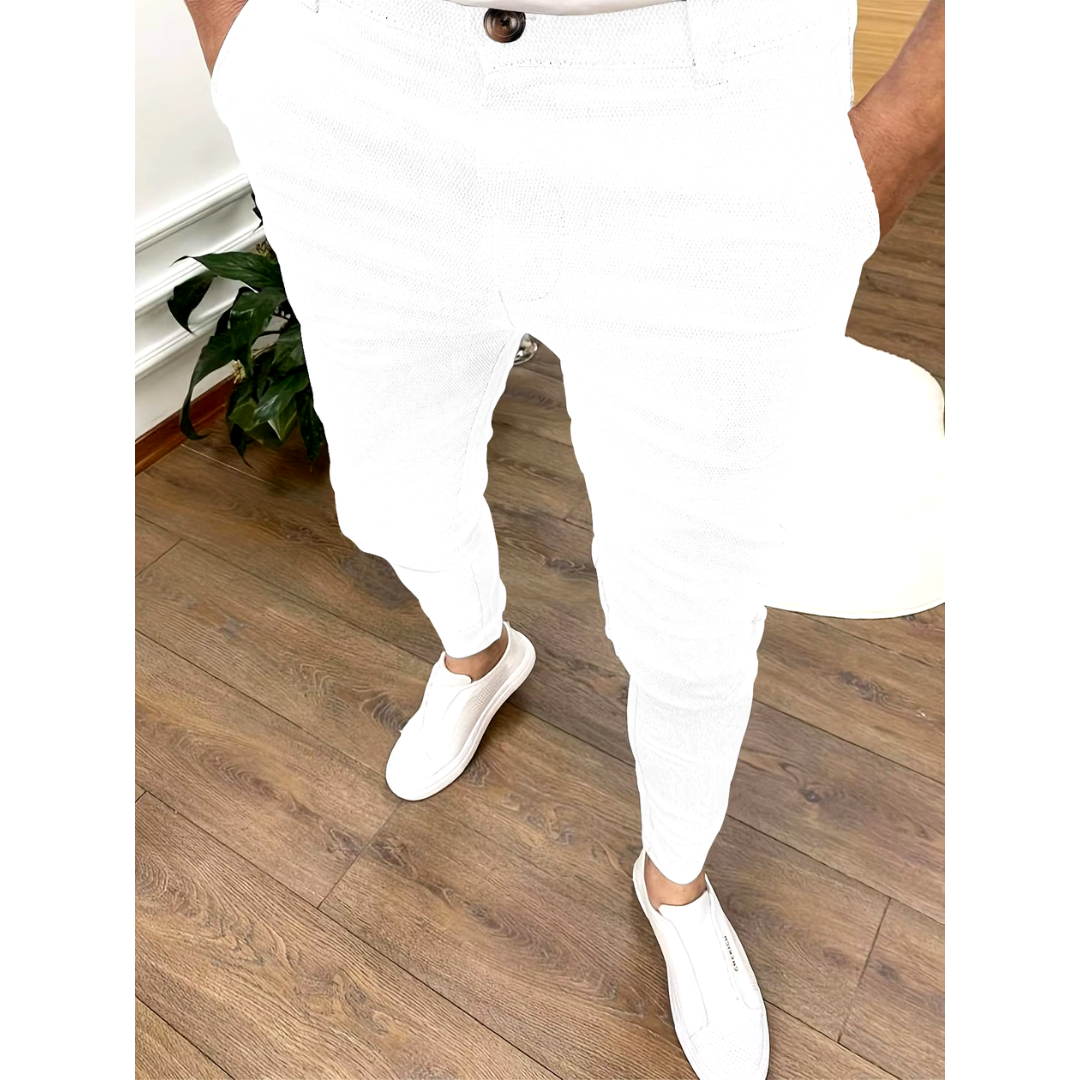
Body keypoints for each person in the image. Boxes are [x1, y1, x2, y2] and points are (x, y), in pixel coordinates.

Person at [182, 2, 944, 1076]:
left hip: (707, 108)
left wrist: (904, 132)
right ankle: (479, 655)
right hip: (358, 74)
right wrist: (243, 48)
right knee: (392, 492)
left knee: (694, 602)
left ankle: (675, 878)